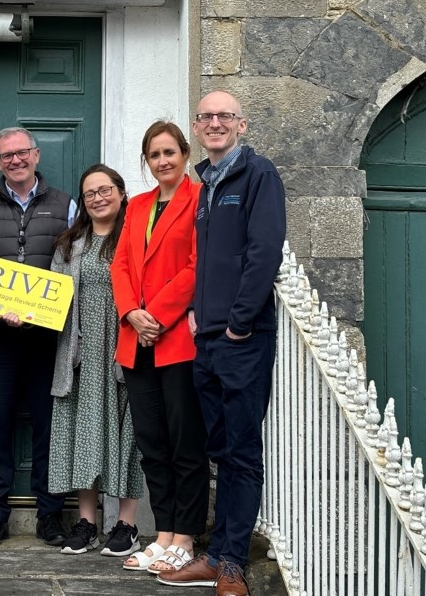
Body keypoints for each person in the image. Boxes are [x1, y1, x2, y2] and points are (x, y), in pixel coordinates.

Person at [159, 92, 285, 596]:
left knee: (241, 452)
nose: (214, 123)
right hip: (207, 339)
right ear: (197, 126)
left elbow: (264, 252)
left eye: (224, 117)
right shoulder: (207, 183)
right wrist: (196, 316)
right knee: (219, 449)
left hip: (242, 337)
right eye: (206, 117)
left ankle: (231, 562)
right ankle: (216, 554)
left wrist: (238, 323)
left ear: (241, 125)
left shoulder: (258, 176)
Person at [0, 127, 77, 547]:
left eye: (22, 153)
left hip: (48, 337)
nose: (15, 161)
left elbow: (72, 269)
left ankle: (50, 515)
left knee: (50, 426)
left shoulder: (67, 205)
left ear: (36, 155)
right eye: (6, 156)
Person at [110, 120, 209, 574]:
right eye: (155, 155)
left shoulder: (199, 200)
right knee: (152, 443)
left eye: (170, 152)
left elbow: (195, 267)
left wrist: (158, 315)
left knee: (184, 442)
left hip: (175, 341)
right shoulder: (137, 205)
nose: (163, 161)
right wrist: (132, 312)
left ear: (184, 155)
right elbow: (122, 265)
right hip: (136, 340)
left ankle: (185, 537)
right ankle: (163, 533)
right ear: (146, 161)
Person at [48, 164, 144, 556]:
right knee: (82, 433)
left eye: (106, 190)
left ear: (121, 193)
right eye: (90, 193)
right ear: (83, 202)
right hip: (80, 353)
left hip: (123, 350)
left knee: (127, 435)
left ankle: (127, 524)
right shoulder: (70, 244)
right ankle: (87, 522)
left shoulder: (135, 237)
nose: (99, 198)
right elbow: (51, 296)